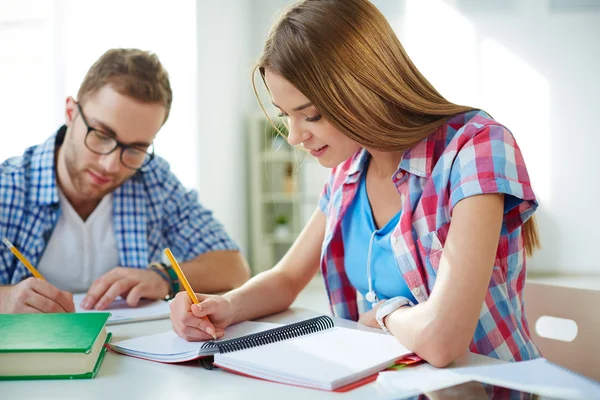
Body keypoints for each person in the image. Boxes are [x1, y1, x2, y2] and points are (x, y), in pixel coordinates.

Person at [170, 0, 541, 367]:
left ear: (365, 85)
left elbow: (442, 340)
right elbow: (286, 278)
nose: (295, 136)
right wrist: (225, 306)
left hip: (484, 388)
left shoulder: (475, 147)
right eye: (287, 116)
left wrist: (385, 314)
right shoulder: (348, 174)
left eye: (311, 115)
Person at [0, 48, 250, 314]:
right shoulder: (8, 188)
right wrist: (6, 300)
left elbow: (234, 268)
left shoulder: (153, 179)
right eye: (101, 134)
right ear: (71, 113)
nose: (110, 165)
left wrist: (164, 278)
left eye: (135, 149)